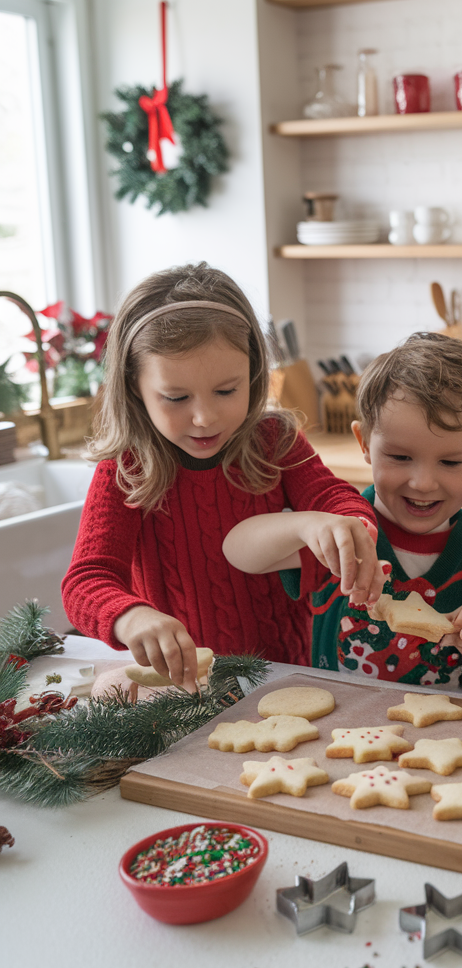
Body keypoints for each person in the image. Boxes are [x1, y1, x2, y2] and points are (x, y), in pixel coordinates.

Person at [62, 262, 382, 689]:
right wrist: (132, 616)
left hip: (286, 677)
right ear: (134, 387)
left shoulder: (275, 441)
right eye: (176, 397)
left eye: (226, 391)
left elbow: (336, 499)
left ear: (252, 373)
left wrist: (351, 528)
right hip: (184, 690)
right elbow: (86, 581)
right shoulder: (127, 468)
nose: (203, 417)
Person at [223, 333, 462, 699]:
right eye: (400, 457)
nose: (422, 482)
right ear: (365, 443)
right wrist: (307, 524)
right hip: (335, 738)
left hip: (442, 743)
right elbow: (236, 550)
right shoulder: (344, 533)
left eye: (450, 462)